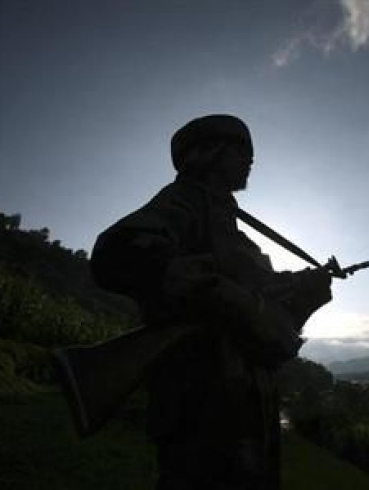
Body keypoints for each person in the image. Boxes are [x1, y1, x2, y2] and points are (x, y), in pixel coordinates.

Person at [89, 114, 332, 490]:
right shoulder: (184, 201)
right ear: (206, 153)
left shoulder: (235, 233)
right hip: (202, 396)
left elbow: (264, 317)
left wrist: (306, 295)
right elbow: (116, 253)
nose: (250, 160)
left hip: (247, 400)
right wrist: (210, 287)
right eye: (239, 150)